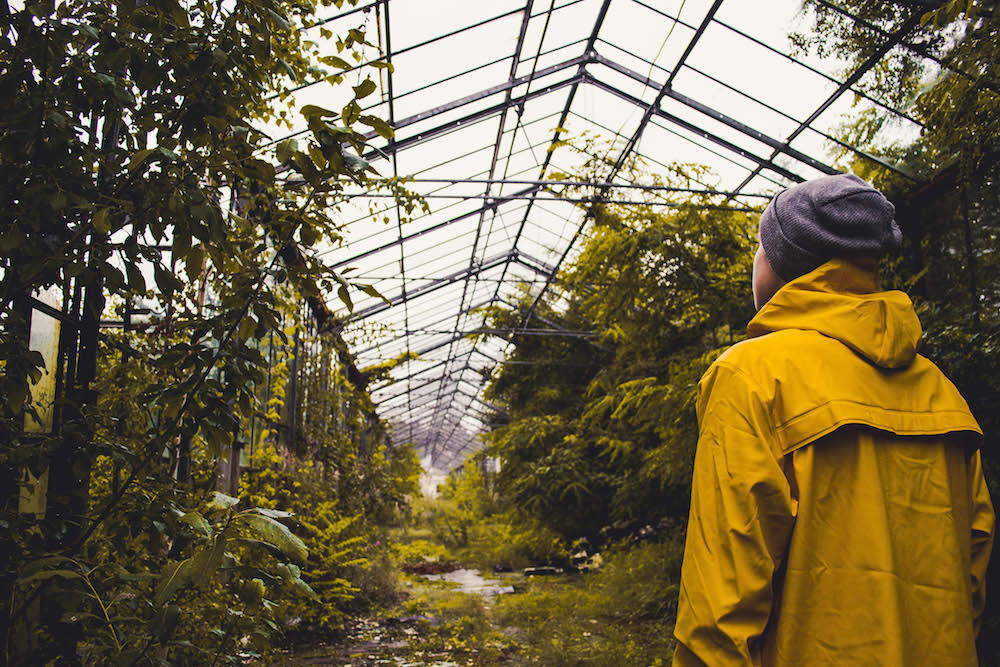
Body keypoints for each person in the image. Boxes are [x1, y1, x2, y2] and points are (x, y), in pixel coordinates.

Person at [672, 173, 995, 666]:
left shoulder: (753, 376)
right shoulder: (939, 389)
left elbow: (721, 599)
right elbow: (971, 570)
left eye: (761, 248)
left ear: (787, 264)